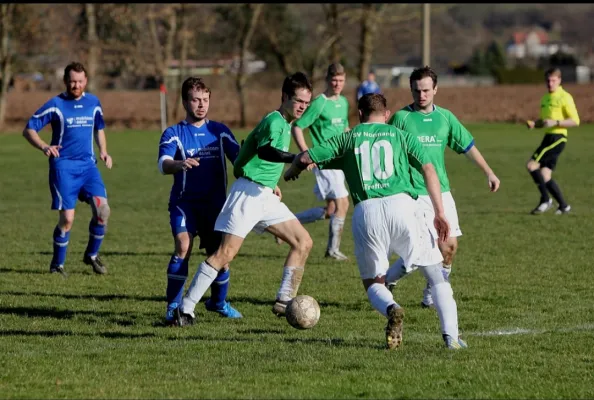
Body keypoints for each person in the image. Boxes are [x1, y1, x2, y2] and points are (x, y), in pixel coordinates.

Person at [284, 93, 467, 350]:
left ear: (359, 114)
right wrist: (439, 212)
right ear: (387, 114)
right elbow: (428, 168)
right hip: (403, 206)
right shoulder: (401, 135)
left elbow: (305, 158)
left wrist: (293, 170)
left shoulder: (348, 137)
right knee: (436, 276)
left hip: (366, 211)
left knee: (374, 284)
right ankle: (451, 338)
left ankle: (391, 307)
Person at [173, 72, 314, 326]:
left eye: (307, 102)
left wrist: (273, 185)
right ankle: (186, 308)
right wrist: (293, 158)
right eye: (298, 100)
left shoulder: (286, 123)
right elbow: (265, 150)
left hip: (265, 194)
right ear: (284, 97)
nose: (303, 106)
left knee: (303, 242)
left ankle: (284, 301)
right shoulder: (274, 121)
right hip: (248, 194)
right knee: (225, 254)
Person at [386, 66, 500, 308]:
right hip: (412, 193)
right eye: (417, 91)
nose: (422, 95)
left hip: (442, 191)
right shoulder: (401, 118)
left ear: (435, 89)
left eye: (426, 90)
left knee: (449, 247)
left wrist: (488, 172)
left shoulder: (446, 118)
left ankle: (432, 292)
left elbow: (467, 146)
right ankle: (387, 280)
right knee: (417, 253)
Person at [158, 77, 242, 325]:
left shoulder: (219, 131)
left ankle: (218, 303)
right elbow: (162, 164)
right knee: (183, 247)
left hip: (216, 206)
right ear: (185, 102)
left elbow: (240, 161)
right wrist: (179, 164)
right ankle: (173, 306)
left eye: (205, 100)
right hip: (185, 204)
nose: (201, 105)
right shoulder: (174, 133)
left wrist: (267, 183)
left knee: (222, 258)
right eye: (196, 100)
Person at [23, 62, 112, 276]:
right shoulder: (56, 104)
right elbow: (29, 129)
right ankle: (57, 265)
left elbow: (99, 129)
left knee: (103, 211)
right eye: (72, 81)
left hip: (89, 167)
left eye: (80, 81)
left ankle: (91, 255)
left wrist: (104, 151)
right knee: (68, 219)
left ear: (86, 81)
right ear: (65, 81)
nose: (76, 85)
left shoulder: (93, 102)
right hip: (64, 168)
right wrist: (44, 146)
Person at [289, 63, 351, 261]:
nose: (337, 84)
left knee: (332, 210)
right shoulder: (320, 102)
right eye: (334, 80)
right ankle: (332, 251)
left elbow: (344, 128)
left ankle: (288, 223)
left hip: (339, 161)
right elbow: (297, 126)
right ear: (327, 80)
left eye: (341, 80)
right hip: (324, 160)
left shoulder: (344, 102)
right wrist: (306, 154)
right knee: (343, 204)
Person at [525, 67, 579, 215]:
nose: (550, 83)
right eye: (548, 80)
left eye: (553, 80)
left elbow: (575, 121)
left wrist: (556, 122)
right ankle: (563, 206)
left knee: (531, 165)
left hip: (558, 137)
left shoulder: (565, 97)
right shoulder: (545, 98)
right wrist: (535, 124)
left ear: (559, 81)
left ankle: (545, 200)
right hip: (548, 137)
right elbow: (545, 121)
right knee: (545, 175)